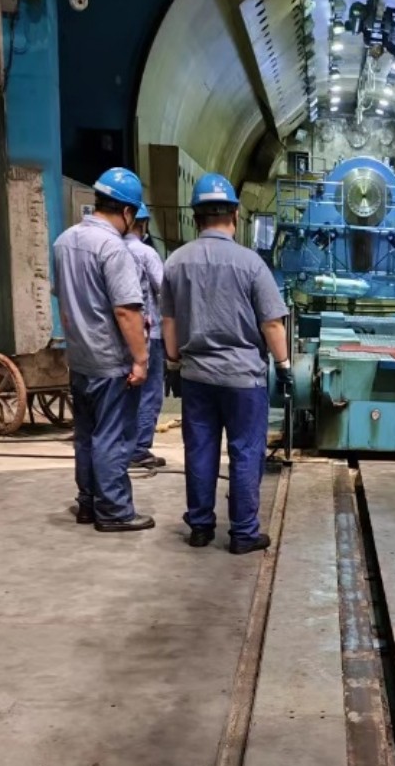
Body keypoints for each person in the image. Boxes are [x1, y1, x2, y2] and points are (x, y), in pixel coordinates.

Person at [161, 173, 294, 554]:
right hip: (243, 380)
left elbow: (169, 322)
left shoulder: (176, 262)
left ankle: (200, 527)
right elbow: (272, 323)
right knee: (245, 452)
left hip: (197, 377)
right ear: (235, 215)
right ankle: (243, 534)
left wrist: (173, 364)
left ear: (195, 218)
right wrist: (284, 366)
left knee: (200, 450)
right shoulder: (250, 264)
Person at [54, 167, 153, 532]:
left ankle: (88, 503)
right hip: (110, 362)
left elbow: (65, 298)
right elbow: (126, 310)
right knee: (112, 436)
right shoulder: (113, 248)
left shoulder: (64, 241)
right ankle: (113, 511)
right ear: (127, 212)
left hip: (80, 359)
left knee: (86, 436)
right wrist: (141, 359)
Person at [123, 202, 166, 469]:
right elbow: (164, 289)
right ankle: (139, 449)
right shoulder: (145, 253)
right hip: (150, 334)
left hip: (118, 335)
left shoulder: (110, 250)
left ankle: (122, 444)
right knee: (149, 391)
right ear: (143, 223)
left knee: (124, 391)